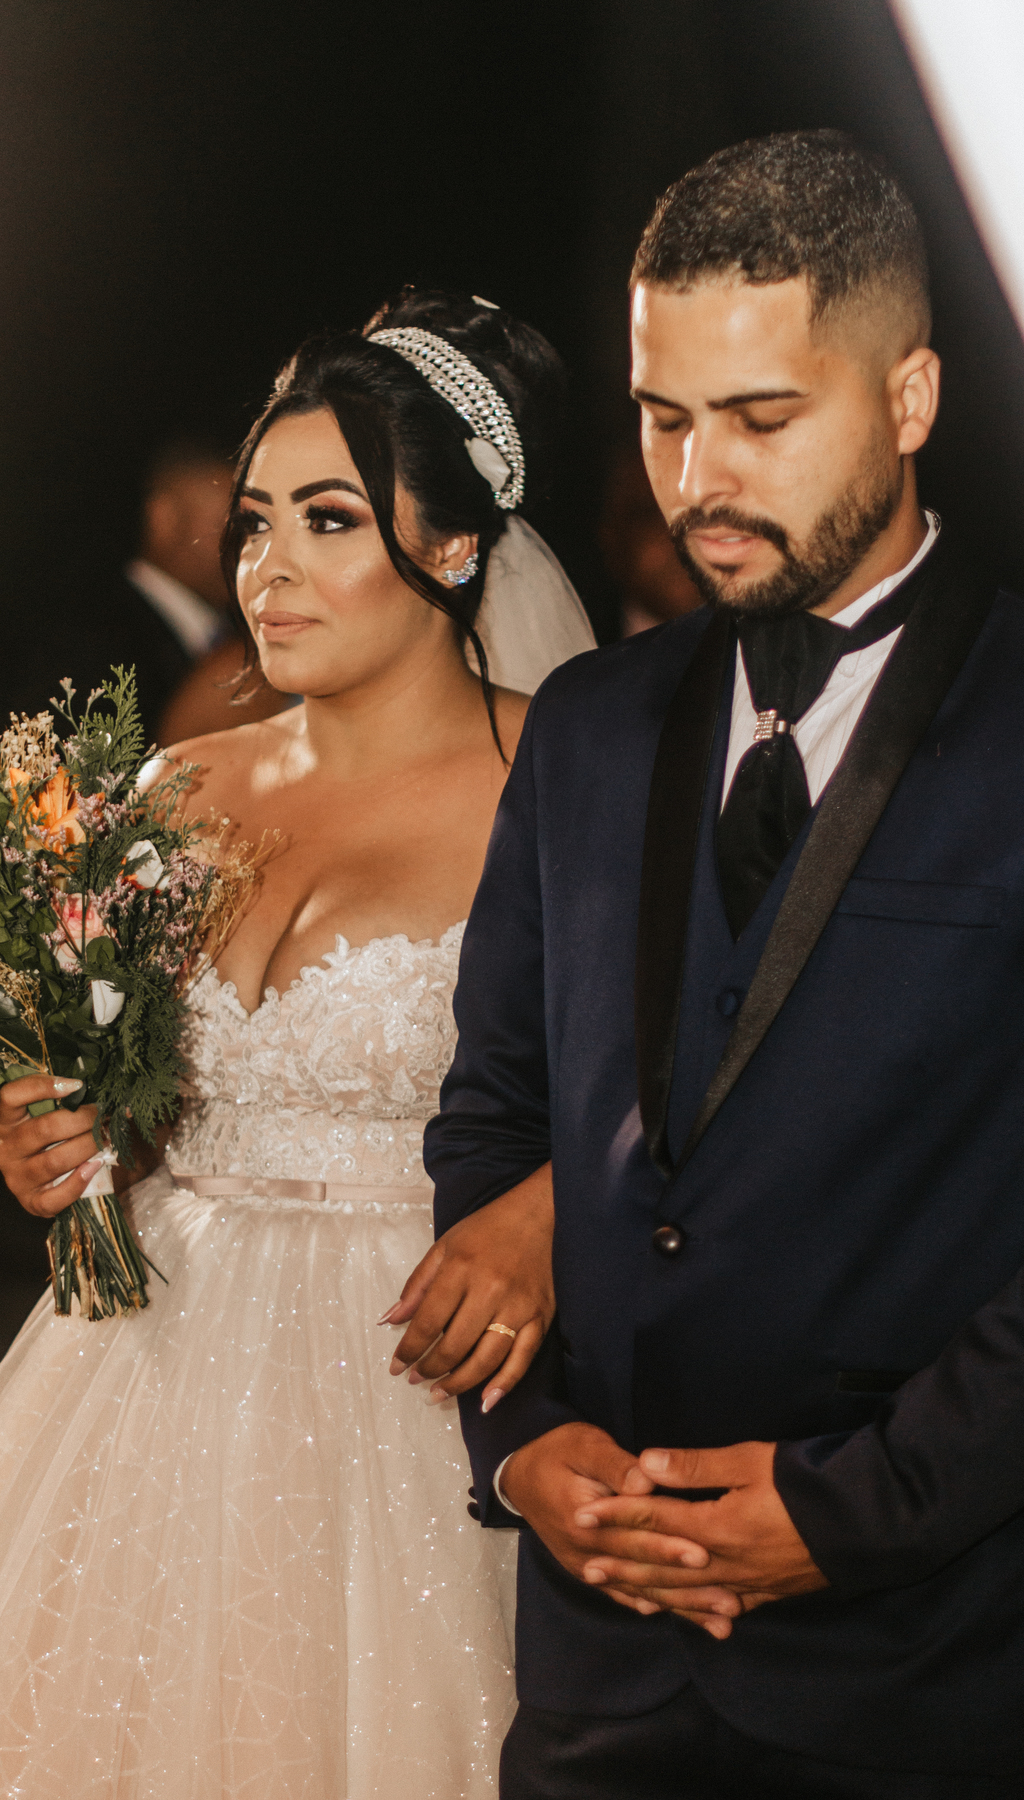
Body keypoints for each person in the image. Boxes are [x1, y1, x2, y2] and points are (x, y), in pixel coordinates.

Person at [0, 291, 594, 1797]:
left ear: (453, 546)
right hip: (148, 1370)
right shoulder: (173, 791)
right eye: (254, 523)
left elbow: (678, 1081)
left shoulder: (564, 776)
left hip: (414, 1376)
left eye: (328, 520)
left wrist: (551, 1213)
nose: (268, 569)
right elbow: (132, 1104)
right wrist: (62, 1140)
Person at [410, 132, 1024, 1796]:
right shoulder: (589, 725)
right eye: (664, 418)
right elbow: (494, 1119)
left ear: (909, 397)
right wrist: (521, 1444)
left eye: (761, 419)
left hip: (932, 1674)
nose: (698, 479)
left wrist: (850, 1513)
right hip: (599, 1672)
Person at [32, 439, 285, 744]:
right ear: (164, 518)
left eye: (258, 529)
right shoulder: (89, 638)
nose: (252, 546)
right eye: (233, 525)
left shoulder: (236, 633)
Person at [597, 439, 700, 636]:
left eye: (696, 513)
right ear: (612, 535)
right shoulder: (581, 642)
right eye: (653, 515)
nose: (681, 538)